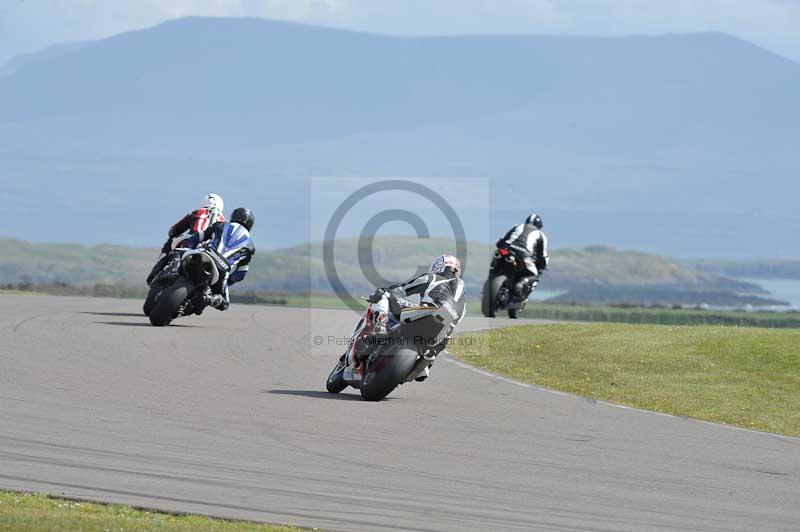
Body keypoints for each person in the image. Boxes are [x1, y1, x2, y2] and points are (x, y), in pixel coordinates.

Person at [351, 254, 466, 382]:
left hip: (427, 312)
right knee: (432, 350)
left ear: (438, 267)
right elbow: (458, 320)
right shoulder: (463, 298)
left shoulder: (431, 277)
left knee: (383, 293)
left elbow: (400, 290)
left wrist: (388, 291)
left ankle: (381, 326)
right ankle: (424, 366)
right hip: (443, 333)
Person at [146, 193, 226, 285]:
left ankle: (158, 274)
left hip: (192, 244)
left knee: (172, 246)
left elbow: (173, 230)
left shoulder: (197, 212)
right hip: (212, 251)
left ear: (203, 202)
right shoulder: (224, 222)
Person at [188, 207, 256, 312]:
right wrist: (228, 281)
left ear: (234, 216)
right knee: (225, 303)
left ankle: (172, 268)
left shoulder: (220, 225)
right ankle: (209, 299)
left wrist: (189, 249)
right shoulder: (250, 246)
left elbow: (198, 237)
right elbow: (240, 273)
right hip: (222, 268)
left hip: (206, 254)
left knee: (178, 255)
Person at [497, 213, 549, 302]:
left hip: (506, 250)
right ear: (539, 226)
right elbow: (542, 256)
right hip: (524, 256)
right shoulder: (541, 235)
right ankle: (521, 283)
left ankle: (494, 275)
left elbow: (501, 241)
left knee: (496, 260)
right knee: (534, 274)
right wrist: (542, 266)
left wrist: (502, 247)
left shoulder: (517, 226)